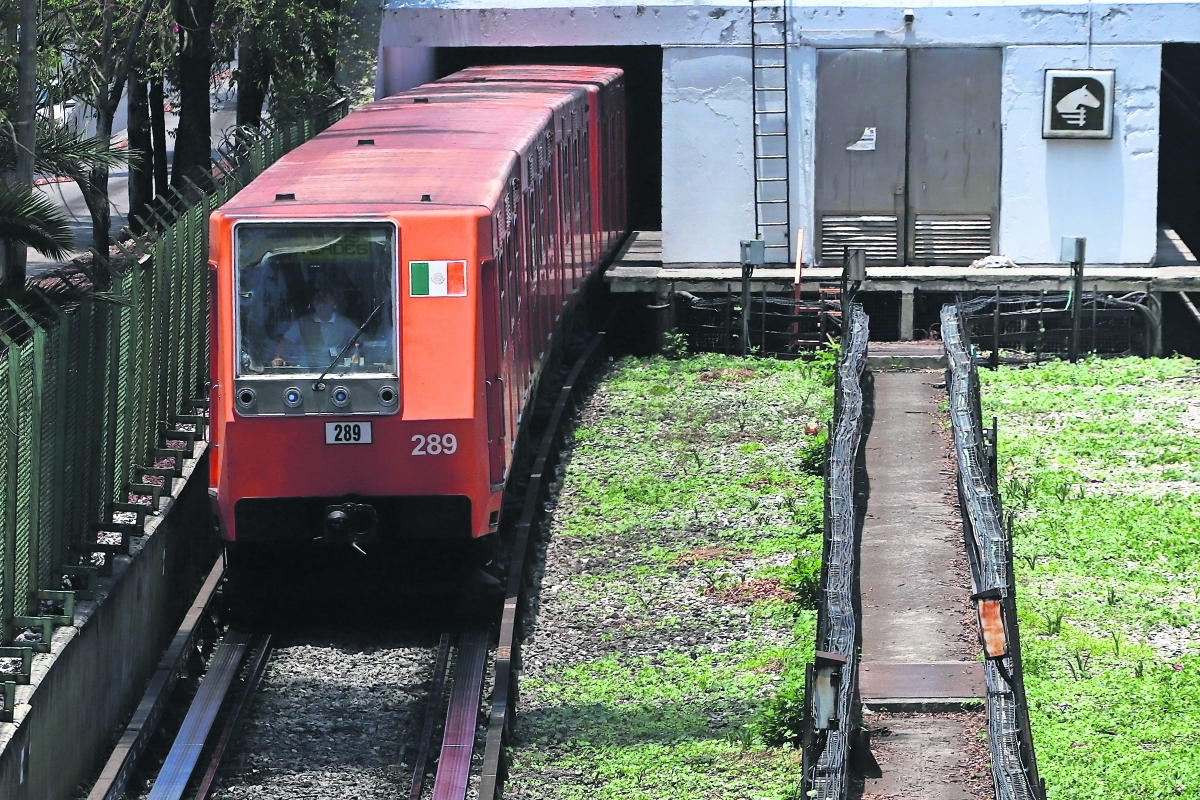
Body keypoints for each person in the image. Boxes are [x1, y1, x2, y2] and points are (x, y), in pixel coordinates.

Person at [271, 288, 361, 369]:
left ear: (334, 305)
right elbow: (286, 341)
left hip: (338, 369)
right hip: (308, 370)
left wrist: (354, 354)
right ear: (314, 304)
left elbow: (359, 340)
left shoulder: (344, 323)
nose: (322, 305)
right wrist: (278, 356)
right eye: (319, 302)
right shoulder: (303, 323)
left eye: (325, 302)